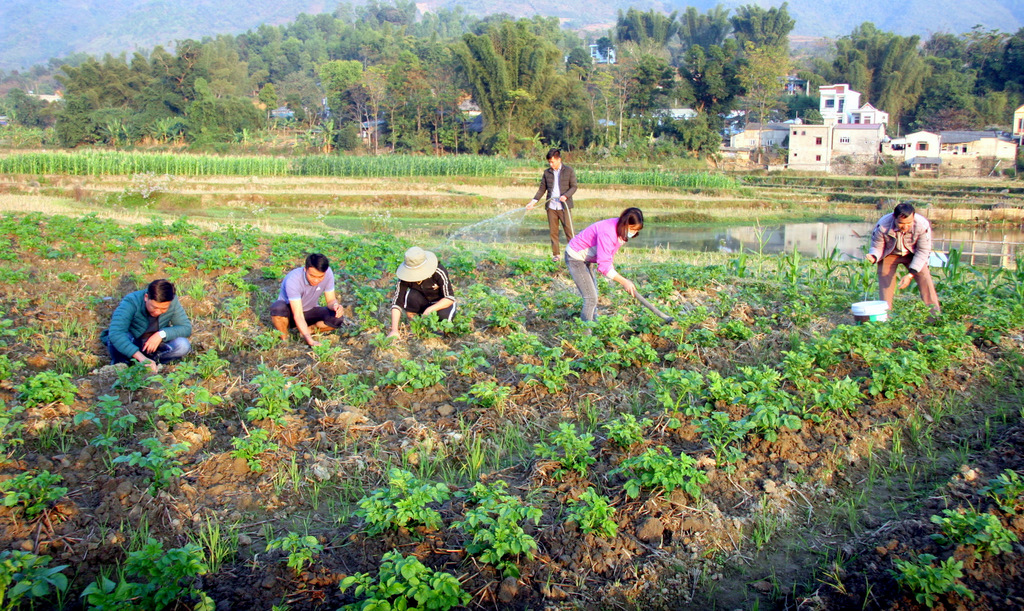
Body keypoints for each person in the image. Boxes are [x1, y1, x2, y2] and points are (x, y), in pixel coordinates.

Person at [565, 207, 643, 322]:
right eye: (632, 229)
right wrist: (624, 281)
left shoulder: (620, 229)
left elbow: (607, 256)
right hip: (575, 257)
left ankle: (594, 325)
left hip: (588, 258)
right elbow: (604, 266)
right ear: (625, 223)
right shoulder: (608, 232)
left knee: (593, 294)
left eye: (636, 230)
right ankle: (585, 335)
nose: (633, 232)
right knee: (591, 298)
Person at [102, 279, 192, 373]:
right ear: (146, 297)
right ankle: (124, 366)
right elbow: (116, 333)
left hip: (153, 347)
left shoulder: (172, 302)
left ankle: (153, 363)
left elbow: (186, 327)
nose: (157, 312)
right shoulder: (131, 301)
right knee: (118, 339)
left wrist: (160, 334)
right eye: (154, 307)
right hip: (132, 343)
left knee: (183, 345)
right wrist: (141, 357)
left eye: (163, 309)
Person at [866, 202, 941, 314]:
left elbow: (923, 251)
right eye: (901, 223)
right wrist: (874, 256)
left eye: (909, 223)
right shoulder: (883, 225)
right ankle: (885, 318)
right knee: (885, 285)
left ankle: (935, 318)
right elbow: (877, 245)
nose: (905, 227)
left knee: (925, 280)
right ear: (894, 217)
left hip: (913, 253)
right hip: (890, 252)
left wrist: (910, 274)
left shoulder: (922, 225)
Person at [269, 253, 347, 346]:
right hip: (290, 314)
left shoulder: (328, 273)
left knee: (337, 318)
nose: (316, 280)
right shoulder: (293, 280)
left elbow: (330, 300)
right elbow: (298, 315)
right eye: (312, 276)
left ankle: (306, 331)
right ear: (305, 269)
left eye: (320, 277)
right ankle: (285, 338)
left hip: (309, 311)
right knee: (277, 308)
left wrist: (335, 306)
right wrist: (310, 341)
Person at [388, 247, 456, 339]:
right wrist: (394, 330)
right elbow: (397, 302)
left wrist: (429, 310)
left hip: (440, 302)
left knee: (443, 318)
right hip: (422, 302)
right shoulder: (404, 277)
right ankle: (417, 326)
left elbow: (449, 298)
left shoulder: (438, 271)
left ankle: (437, 332)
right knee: (411, 295)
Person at [526, 148, 578, 262]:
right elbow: (542, 189)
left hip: (564, 207)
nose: (551, 164)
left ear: (559, 159)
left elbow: (574, 186)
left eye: (552, 162)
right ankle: (556, 255)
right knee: (553, 232)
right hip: (551, 207)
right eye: (549, 162)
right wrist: (533, 202)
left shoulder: (568, 171)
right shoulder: (547, 172)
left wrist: (566, 196)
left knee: (569, 231)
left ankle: (574, 254)